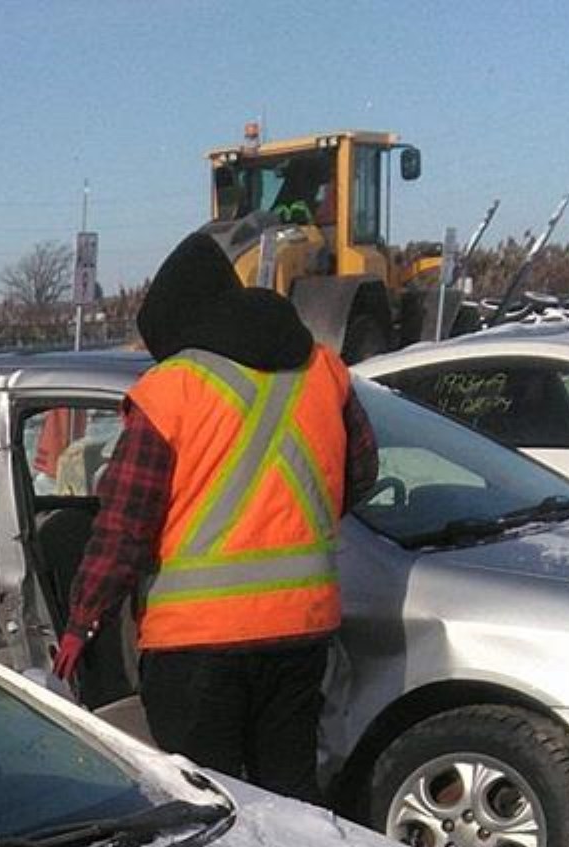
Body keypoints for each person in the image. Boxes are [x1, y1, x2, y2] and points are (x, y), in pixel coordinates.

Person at [54, 229, 378, 801]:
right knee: (289, 797)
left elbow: (125, 527)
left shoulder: (171, 391)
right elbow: (360, 474)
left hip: (196, 644)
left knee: (211, 804)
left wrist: (83, 621)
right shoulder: (323, 371)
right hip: (302, 628)